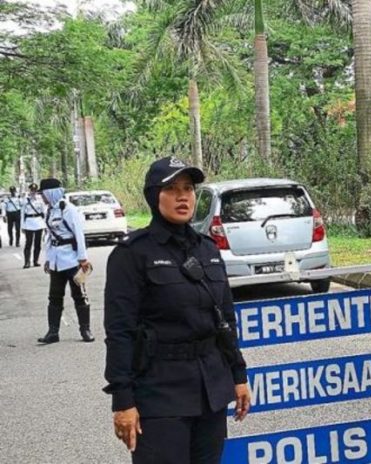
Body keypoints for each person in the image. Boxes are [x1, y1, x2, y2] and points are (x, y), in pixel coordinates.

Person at [103, 156, 251, 463]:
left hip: (209, 390)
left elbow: (226, 319)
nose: (183, 196)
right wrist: (123, 400)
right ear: (154, 195)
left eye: (188, 188)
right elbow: (120, 332)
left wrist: (238, 374)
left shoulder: (208, 250)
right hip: (159, 395)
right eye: (171, 189)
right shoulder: (132, 254)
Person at [37, 178, 93, 344]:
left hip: (72, 259)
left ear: (51, 193)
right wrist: (47, 259)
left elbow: (79, 234)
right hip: (56, 260)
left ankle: (85, 330)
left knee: (79, 295)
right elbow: (49, 236)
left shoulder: (68, 209)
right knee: (54, 296)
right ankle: (53, 332)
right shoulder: (50, 210)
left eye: (43, 194)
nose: (42, 197)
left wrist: (83, 258)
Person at [21, 182, 46, 268]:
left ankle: (36, 260)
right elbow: (22, 214)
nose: (33, 192)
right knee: (28, 243)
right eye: (32, 190)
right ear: (30, 190)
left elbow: (44, 212)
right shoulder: (25, 200)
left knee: (37, 243)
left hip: (39, 222)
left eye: (35, 190)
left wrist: (46, 225)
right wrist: (22, 226)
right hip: (29, 223)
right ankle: (27, 262)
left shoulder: (40, 200)